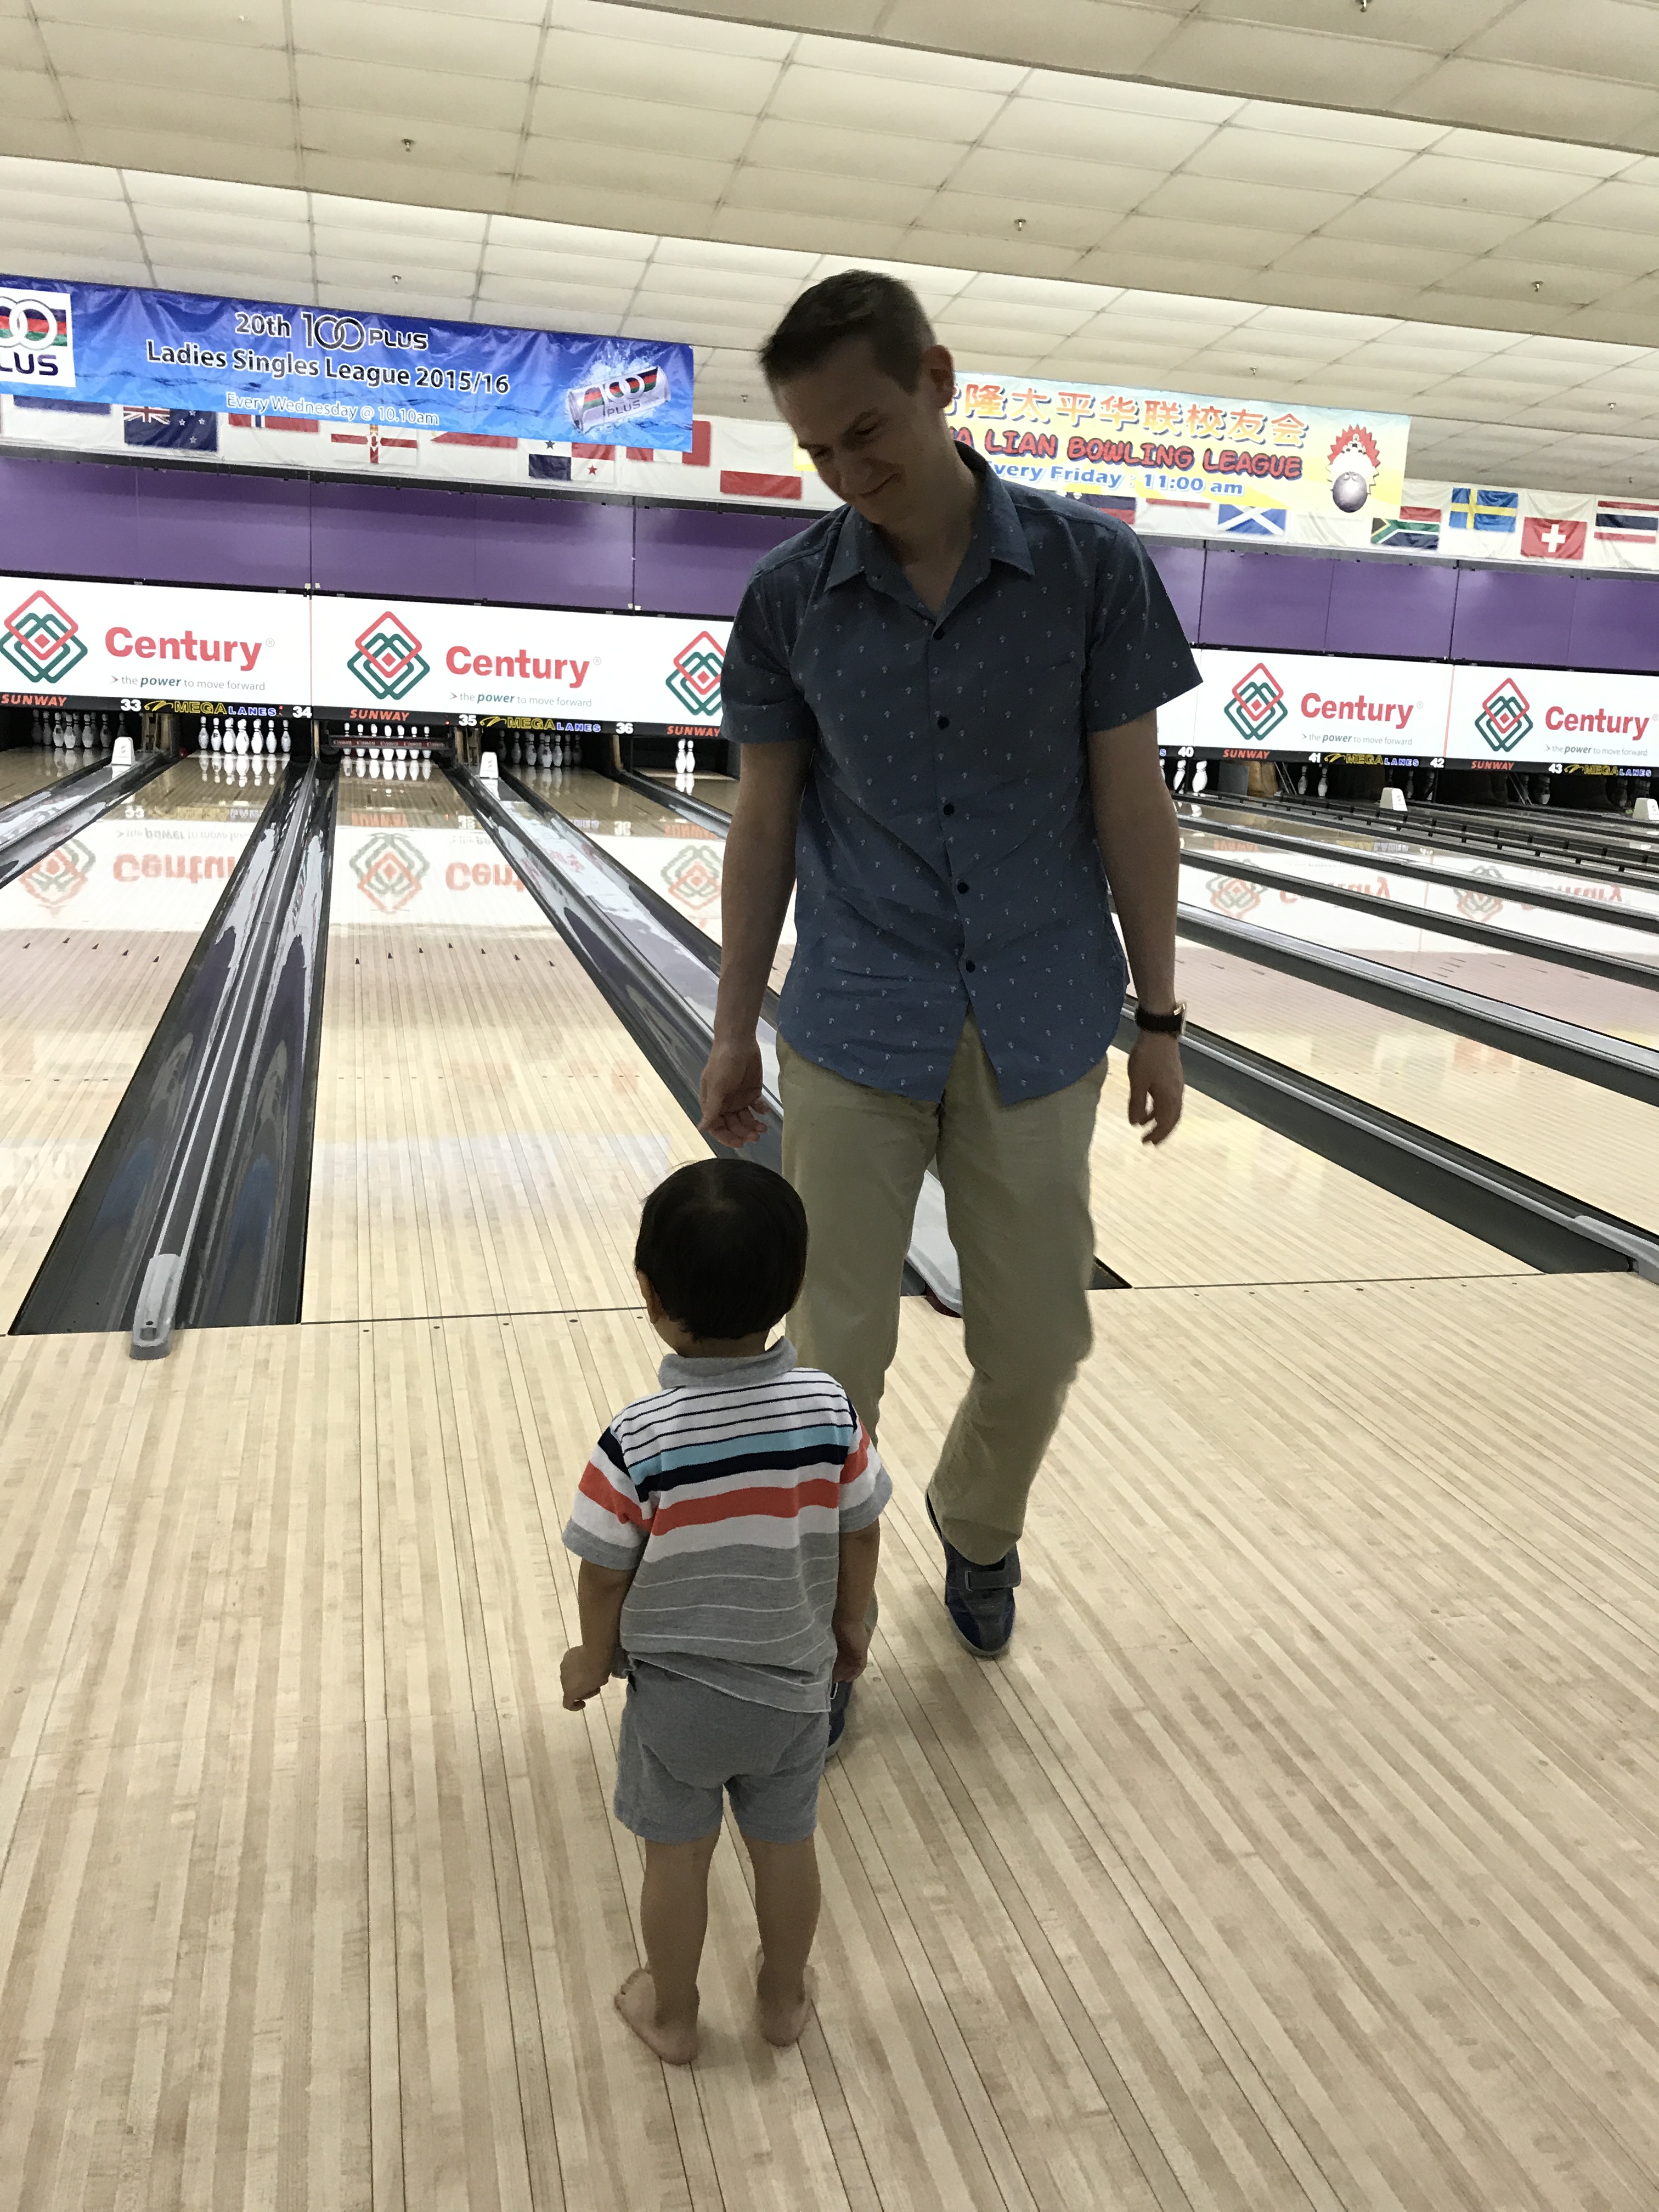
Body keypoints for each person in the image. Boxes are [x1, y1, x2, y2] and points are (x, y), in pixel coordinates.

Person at [699, 270, 1199, 1722]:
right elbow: (763, 824)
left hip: (1041, 1011)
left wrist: (1161, 1018)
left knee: (1040, 1340)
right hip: (857, 1011)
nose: (849, 472)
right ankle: (828, 1619)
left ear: (937, 378)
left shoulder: (1094, 569)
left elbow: (1134, 806)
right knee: (833, 1351)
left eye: (866, 431)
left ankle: (977, 1524)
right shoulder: (790, 598)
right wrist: (731, 1026)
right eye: (818, 451)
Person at [559, 1157, 890, 2066]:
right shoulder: (830, 1410)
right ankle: (781, 1999)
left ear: (649, 1293)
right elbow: (861, 1528)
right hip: (794, 1694)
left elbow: (602, 1572)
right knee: (785, 1848)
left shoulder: (637, 1439)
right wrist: (851, 1624)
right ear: (795, 1286)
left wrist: (591, 1658)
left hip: (677, 1706)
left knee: (677, 1859)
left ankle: (672, 2015)